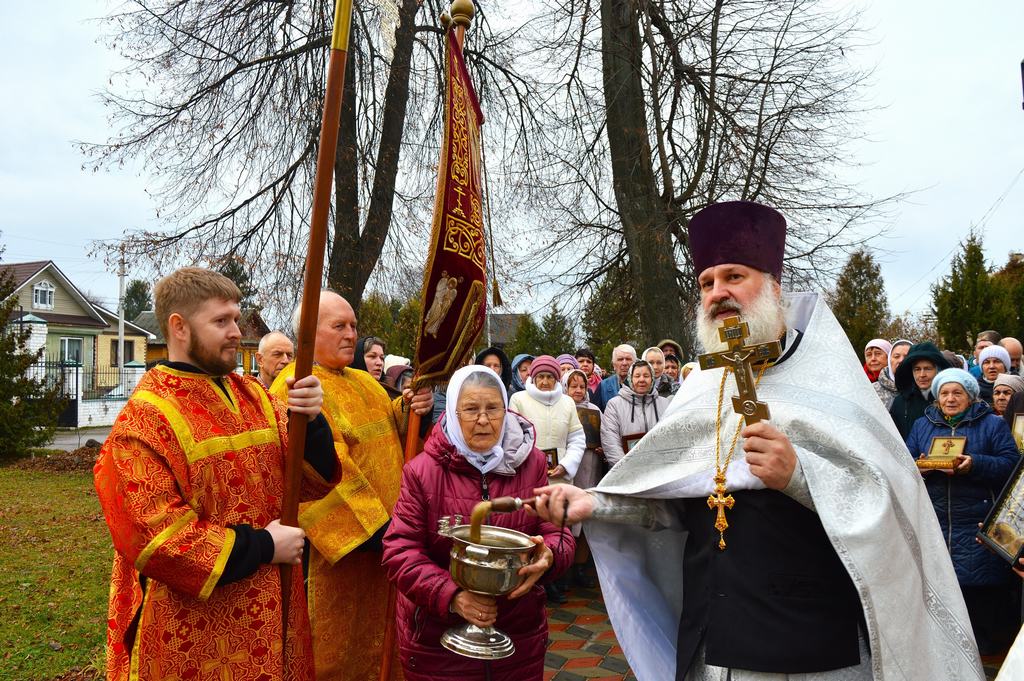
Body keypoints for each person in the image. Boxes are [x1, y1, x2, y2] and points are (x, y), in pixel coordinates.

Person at [528, 201, 983, 680]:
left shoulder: (831, 383)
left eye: (733, 277)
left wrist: (800, 477)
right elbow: (670, 504)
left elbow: (888, 501)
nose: (717, 293)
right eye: (706, 283)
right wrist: (596, 506)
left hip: (807, 640)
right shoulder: (702, 388)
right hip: (712, 632)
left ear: (773, 286)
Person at [93, 268, 339, 681]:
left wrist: (311, 420)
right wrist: (263, 546)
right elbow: (154, 536)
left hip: (273, 609)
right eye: (220, 321)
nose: (235, 332)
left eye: (236, 320)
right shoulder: (145, 419)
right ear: (179, 327)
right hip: (194, 631)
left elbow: (311, 479)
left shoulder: (252, 395)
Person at [271, 291, 433, 680]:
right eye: (338, 326)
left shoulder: (364, 380)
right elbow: (326, 475)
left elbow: (394, 432)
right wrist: (385, 535)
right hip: (346, 556)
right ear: (309, 332)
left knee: (387, 642)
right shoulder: (295, 387)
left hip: (393, 542)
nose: (350, 335)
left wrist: (412, 409)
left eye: (354, 326)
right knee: (340, 652)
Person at [381, 365, 574, 680]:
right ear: (454, 413)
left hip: (518, 636)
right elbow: (400, 550)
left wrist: (549, 556)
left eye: (493, 408)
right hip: (439, 643)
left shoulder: (533, 462)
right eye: (471, 409)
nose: (483, 420)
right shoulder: (422, 471)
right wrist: (453, 597)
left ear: (505, 409)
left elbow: (558, 532)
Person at [904, 368, 1019, 656]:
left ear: (970, 397)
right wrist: (920, 466)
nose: (950, 399)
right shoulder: (922, 424)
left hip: (977, 519)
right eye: (944, 393)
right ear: (937, 397)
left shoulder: (991, 424)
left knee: (982, 593)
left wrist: (975, 463)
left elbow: (1011, 464)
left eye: (957, 393)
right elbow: (905, 460)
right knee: (943, 590)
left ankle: (989, 657)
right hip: (937, 519)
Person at [509, 354, 585, 604]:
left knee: (560, 525)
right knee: (532, 525)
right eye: (540, 376)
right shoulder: (519, 399)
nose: (544, 382)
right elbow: (513, 436)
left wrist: (566, 464)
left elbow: (576, 438)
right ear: (532, 377)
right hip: (529, 474)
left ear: (556, 379)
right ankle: (529, 578)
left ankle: (557, 579)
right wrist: (533, 463)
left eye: (549, 377)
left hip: (560, 476)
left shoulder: (567, 403)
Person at [563, 368, 603, 587]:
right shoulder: (563, 407)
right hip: (572, 469)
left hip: (592, 465)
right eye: (573, 386)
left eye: (582, 386)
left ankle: (580, 567)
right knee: (570, 519)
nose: (578, 390)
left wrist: (601, 449)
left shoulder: (595, 409)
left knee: (587, 518)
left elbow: (602, 434)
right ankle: (565, 569)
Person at [601, 360, 671, 468]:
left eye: (646, 376)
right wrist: (625, 469)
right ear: (630, 379)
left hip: (660, 470)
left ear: (652, 379)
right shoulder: (614, 405)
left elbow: (672, 436)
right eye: (637, 376)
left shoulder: (665, 404)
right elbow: (610, 441)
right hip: (626, 473)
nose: (641, 380)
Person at [889, 341, 951, 439]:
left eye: (927, 368)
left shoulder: (950, 400)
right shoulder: (900, 402)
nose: (922, 375)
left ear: (938, 370)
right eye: (917, 369)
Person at [594, 344, 637, 410]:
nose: (624, 363)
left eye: (628, 359)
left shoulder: (642, 385)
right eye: (620, 359)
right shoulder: (603, 386)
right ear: (614, 364)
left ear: (635, 363)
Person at [873, 339, 912, 410]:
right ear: (889, 359)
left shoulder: (923, 390)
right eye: (896, 356)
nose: (901, 360)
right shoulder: (872, 390)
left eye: (906, 357)